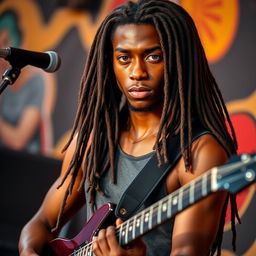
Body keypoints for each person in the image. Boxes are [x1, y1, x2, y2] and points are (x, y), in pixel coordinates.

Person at [18, 0, 239, 255]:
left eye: (153, 56)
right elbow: (43, 222)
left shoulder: (199, 152)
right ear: (110, 64)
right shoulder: (92, 140)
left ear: (180, 61)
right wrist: (28, 250)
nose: (137, 72)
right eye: (124, 58)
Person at [0, 11, 54, 155]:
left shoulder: (36, 82)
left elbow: (18, 141)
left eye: (5, 41)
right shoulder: (4, 78)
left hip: (25, 163)